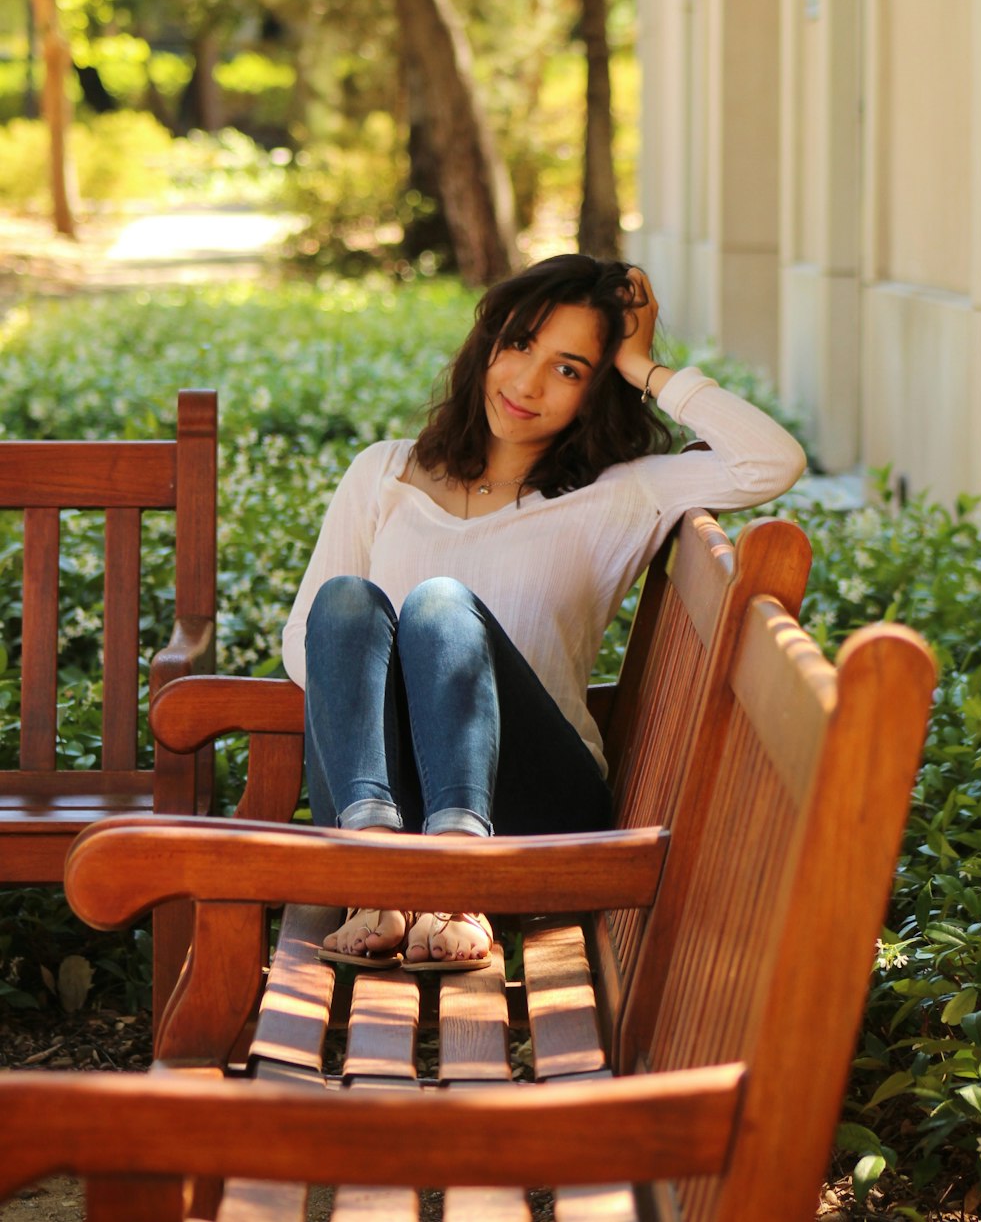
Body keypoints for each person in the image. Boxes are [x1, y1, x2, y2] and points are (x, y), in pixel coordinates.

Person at [282, 254, 806, 971]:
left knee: (440, 605)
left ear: (598, 389)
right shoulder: (383, 471)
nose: (528, 383)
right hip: (390, 804)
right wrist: (398, 713)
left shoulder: (622, 492)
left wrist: (645, 365)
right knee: (344, 602)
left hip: (531, 802)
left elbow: (770, 461)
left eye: (569, 368)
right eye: (521, 344)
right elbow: (304, 639)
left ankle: (457, 886)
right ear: (489, 344)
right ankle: (377, 876)